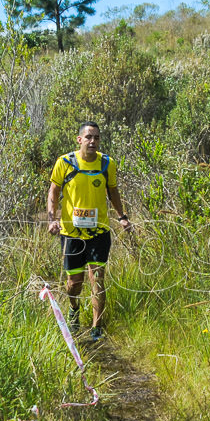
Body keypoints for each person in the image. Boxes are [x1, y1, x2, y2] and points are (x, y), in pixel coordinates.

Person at [47, 121, 132, 341]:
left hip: (99, 233)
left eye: (96, 138)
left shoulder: (107, 163)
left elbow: (113, 191)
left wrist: (122, 217)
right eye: (88, 137)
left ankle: (97, 326)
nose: (93, 141)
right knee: (74, 284)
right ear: (79, 140)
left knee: (98, 280)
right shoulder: (65, 162)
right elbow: (54, 192)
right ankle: (74, 309)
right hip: (71, 233)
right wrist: (52, 219)